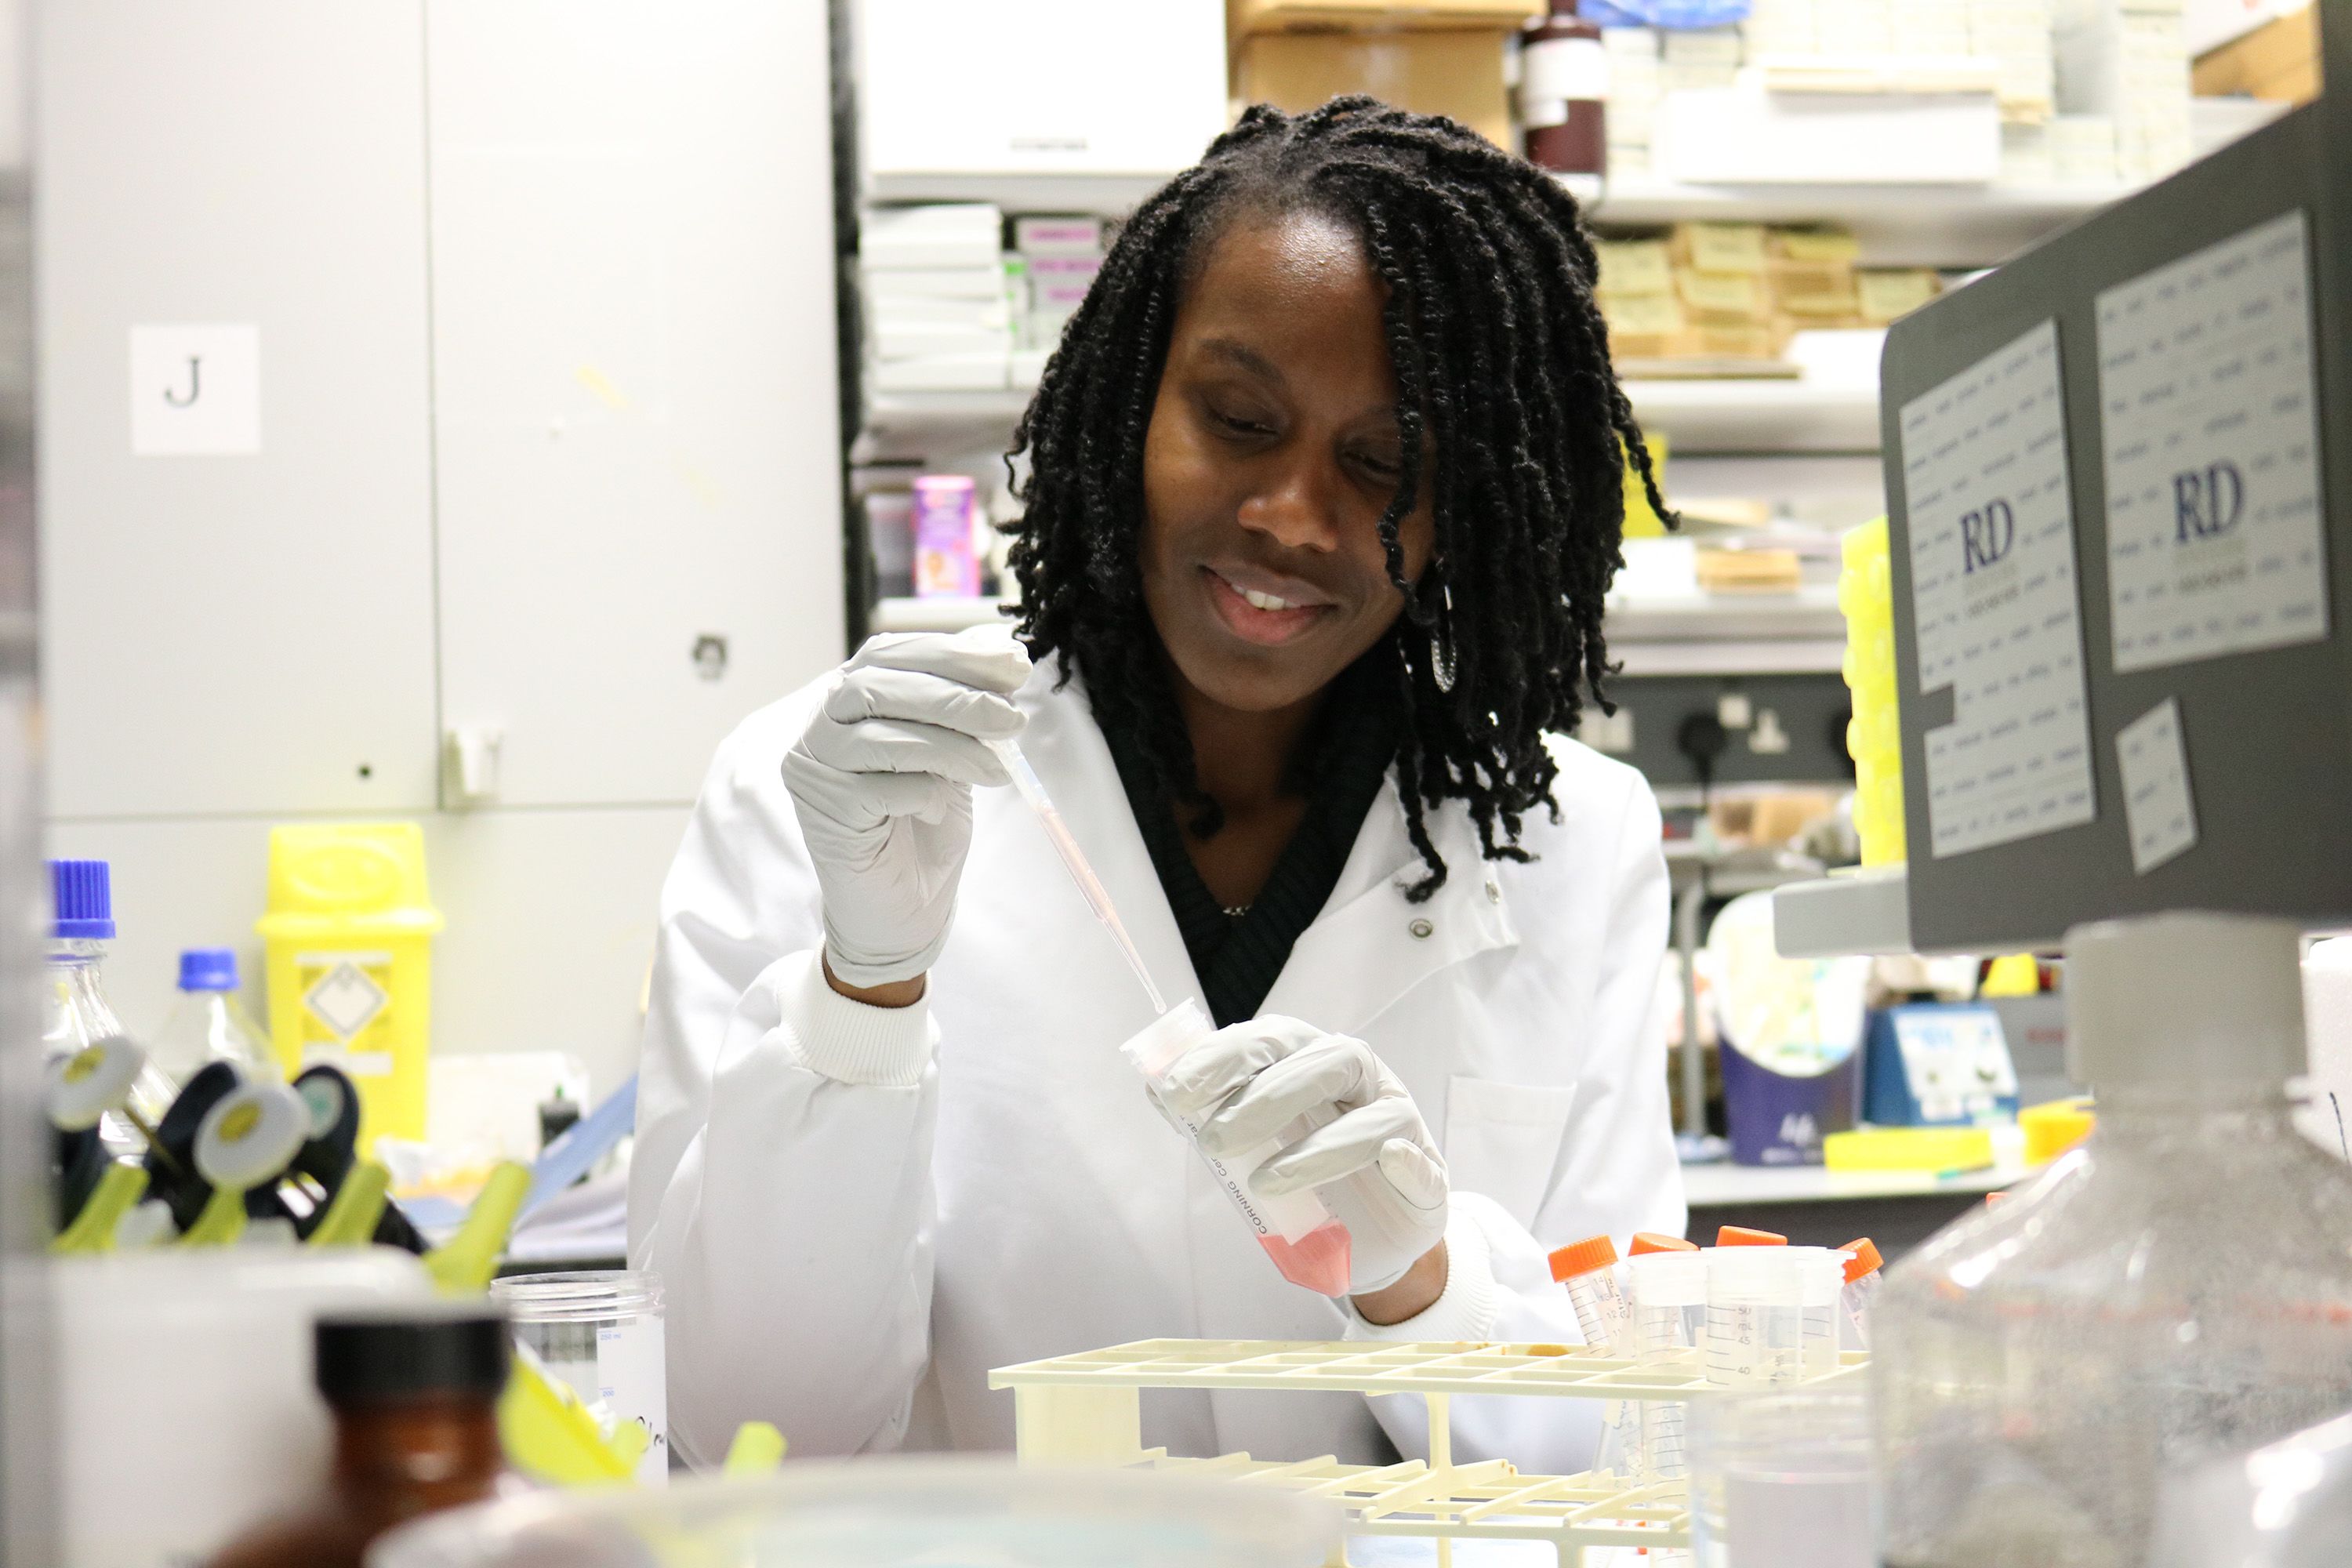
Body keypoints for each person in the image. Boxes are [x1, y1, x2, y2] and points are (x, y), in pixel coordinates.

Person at [630, 98, 1683, 1473]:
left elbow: (1626, 1453)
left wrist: (1424, 1286)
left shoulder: (1576, 841)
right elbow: (745, 1428)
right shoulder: (823, 793)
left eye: (1384, 465)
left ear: (1462, 505)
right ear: (1133, 405)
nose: (1292, 516)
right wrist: (862, 1002)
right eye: (1239, 420)